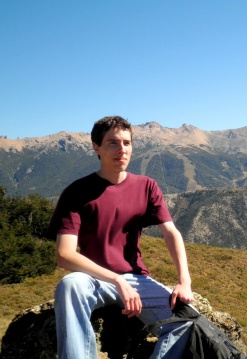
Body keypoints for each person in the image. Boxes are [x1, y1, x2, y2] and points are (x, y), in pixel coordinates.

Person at [48, 116, 195, 358]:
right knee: (69, 285)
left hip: (137, 280)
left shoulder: (147, 186)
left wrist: (184, 281)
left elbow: (171, 232)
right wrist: (117, 281)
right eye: (113, 143)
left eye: (127, 143)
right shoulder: (77, 192)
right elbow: (64, 255)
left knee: (186, 320)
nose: (122, 150)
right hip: (93, 279)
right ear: (97, 147)